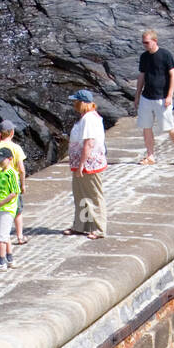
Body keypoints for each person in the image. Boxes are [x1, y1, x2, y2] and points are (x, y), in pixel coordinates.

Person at [134, 30, 174, 167]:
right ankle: (150, 156)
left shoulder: (165, 55)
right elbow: (141, 76)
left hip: (162, 98)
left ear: (154, 41)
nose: (144, 45)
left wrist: (169, 95)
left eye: (147, 42)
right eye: (143, 42)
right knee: (146, 127)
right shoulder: (144, 57)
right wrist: (137, 96)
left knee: (169, 127)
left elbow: (173, 75)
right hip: (146, 97)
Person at [65, 89, 107, 240]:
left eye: (76, 101)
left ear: (82, 103)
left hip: (89, 164)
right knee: (81, 195)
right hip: (81, 163)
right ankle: (81, 226)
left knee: (94, 196)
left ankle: (99, 228)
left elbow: (89, 143)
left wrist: (82, 164)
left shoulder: (89, 119)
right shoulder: (87, 117)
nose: (74, 104)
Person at [0, 147, 21, 270]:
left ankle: (1, 262)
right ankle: (10, 259)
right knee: (5, 235)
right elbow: (2, 188)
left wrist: (0, 203)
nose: (0, 162)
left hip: (7, 208)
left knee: (1, 237)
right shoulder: (1, 173)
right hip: (1, 208)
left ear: (10, 159)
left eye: (2, 160)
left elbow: (14, 192)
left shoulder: (11, 173)